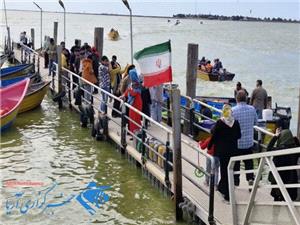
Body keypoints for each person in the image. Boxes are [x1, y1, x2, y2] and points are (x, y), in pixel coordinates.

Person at [208, 104, 241, 201]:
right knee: (230, 171)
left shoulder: (220, 122)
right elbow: (239, 135)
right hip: (233, 151)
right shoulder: (236, 123)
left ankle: (226, 194)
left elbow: (214, 136)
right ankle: (224, 188)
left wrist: (209, 146)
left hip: (222, 151)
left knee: (224, 171)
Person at [232, 90, 257, 187]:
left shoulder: (233, 110)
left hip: (237, 143)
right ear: (246, 99)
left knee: (236, 163)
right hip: (248, 142)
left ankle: (236, 181)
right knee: (249, 163)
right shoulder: (252, 109)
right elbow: (256, 123)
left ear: (236, 99)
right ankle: (250, 178)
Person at [267, 129, 300, 201]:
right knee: (289, 201)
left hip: (279, 179)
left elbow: (268, 149)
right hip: (291, 179)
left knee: (278, 200)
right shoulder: (295, 150)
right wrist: (295, 140)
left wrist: (275, 137)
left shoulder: (279, 150)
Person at [121, 69, 142, 133]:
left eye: (130, 75)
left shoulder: (137, 84)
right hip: (132, 103)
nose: (129, 76)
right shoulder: (132, 83)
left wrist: (128, 91)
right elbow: (128, 91)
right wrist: (124, 95)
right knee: (132, 118)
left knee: (136, 118)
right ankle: (132, 132)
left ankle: (136, 132)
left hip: (136, 102)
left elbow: (133, 93)